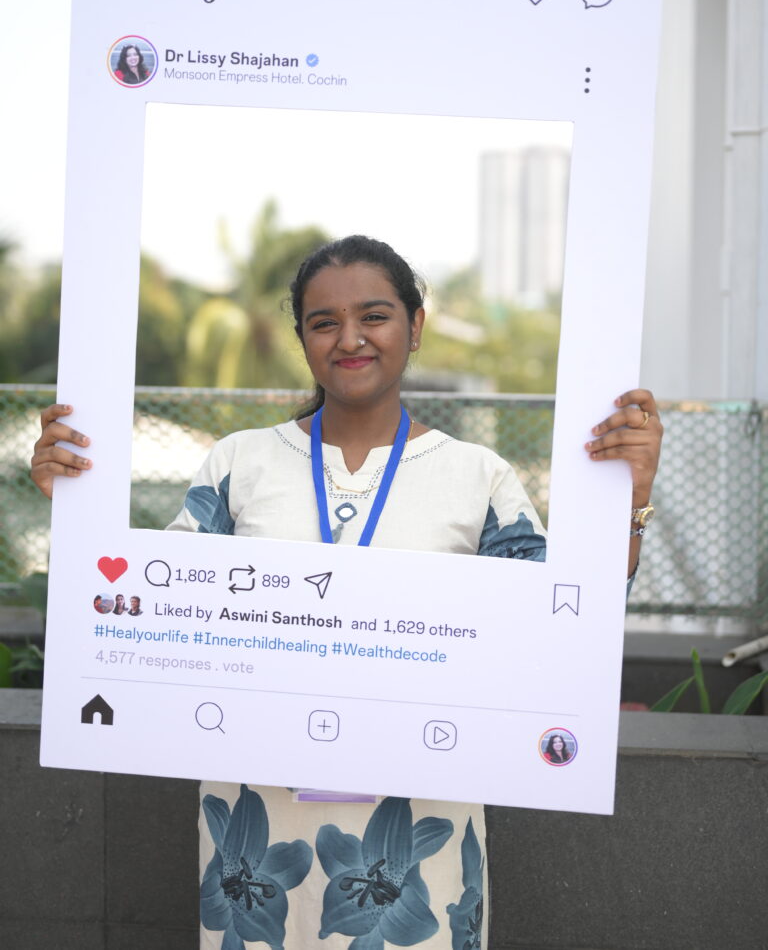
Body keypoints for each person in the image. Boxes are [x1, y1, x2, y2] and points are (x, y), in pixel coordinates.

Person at [31, 234, 662, 950]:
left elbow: (563, 629)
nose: (350, 338)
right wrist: (72, 511)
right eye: (324, 322)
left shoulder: (478, 476)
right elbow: (152, 612)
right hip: (256, 835)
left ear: (415, 326)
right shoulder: (238, 463)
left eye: (375, 316)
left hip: (421, 831)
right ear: (302, 338)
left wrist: (630, 501)